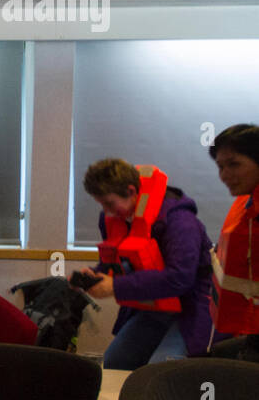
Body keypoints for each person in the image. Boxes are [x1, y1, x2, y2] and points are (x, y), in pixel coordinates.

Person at [80, 158, 213, 369]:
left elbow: (180, 278)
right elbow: (118, 263)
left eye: (109, 203)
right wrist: (95, 275)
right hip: (153, 308)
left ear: (132, 191)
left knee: (159, 373)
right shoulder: (115, 219)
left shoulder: (180, 221)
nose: (107, 211)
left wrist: (114, 286)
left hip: (190, 309)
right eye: (101, 204)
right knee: (113, 364)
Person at [206, 124, 259, 360]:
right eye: (220, 167)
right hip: (253, 330)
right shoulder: (248, 207)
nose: (225, 175)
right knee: (216, 358)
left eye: (234, 164)